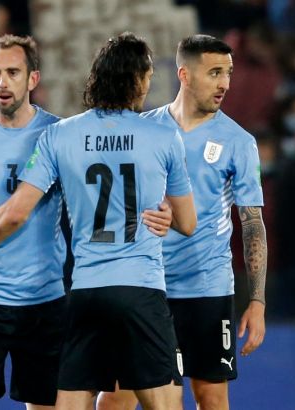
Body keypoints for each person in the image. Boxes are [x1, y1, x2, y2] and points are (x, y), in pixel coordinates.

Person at [0, 32, 198, 410]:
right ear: (139, 79)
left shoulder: (60, 134)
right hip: (141, 288)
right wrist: (167, 213)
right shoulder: (163, 135)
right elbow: (187, 223)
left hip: (86, 291)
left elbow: (16, 210)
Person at [97, 34, 267, 410]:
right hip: (148, 288)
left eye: (228, 73)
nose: (225, 83)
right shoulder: (144, 130)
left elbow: (252, 223)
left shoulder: (238, 142)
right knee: (115, 398)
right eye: (214, 73)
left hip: (207, 288)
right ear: (184, 75)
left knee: (210, 397)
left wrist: (257, 301)